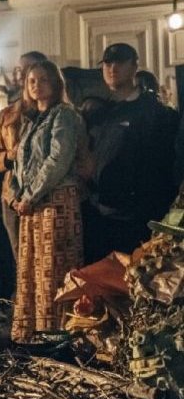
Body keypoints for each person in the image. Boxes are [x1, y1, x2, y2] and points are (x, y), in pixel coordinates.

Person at [9, 61, 84, 342]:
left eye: (42, 80)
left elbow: (58, 160)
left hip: (55, 199)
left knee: (53, 268)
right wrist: (18, 193)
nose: (36, 85)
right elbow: (19, 160)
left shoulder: (63, 115)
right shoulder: (30, 121)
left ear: (54, 83)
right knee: (30, 267)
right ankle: (31, 331)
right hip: (31, 203)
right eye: (31, 81)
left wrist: (30, 195)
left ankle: (55, 333)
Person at [83, 43, 178, 263]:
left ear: (135, 66)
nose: (112, 68)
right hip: (100, 214)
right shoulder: (100, 113)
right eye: (107, 63)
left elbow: (163, 167)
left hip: (136, 217)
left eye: (120, 62)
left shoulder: (156, 113)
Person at [0, 51, 48, 263]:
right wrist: (9, 156)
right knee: (19, 255)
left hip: (46, 194)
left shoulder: (54, 113)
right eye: (18, 70)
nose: (20, 75)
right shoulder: (7, 115)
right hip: (12, 194)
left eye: (27, 69)